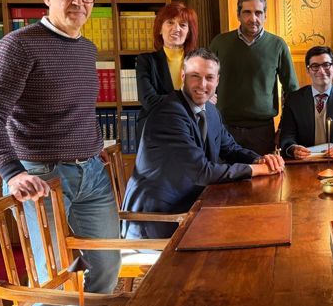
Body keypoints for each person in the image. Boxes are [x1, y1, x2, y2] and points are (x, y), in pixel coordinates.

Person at [0, 0, 120, 294]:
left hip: (92, 175)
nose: (78, 1)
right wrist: (12, 173)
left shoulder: (87, 48)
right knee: (53, 278)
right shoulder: (18, 46)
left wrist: (93, 146)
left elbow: (81, 108)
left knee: (108, 265)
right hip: (40, 177)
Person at [122, 48, 285, 239]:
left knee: (259, 227)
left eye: (209, 77)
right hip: (158, 220)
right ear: (183, 76)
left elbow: (230, 148)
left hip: (192, 207)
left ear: (217, 80)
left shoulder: (210, 110)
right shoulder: (168, 113)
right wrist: (257, 169)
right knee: (245, 234)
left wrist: (261, 160)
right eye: (195, 76)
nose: (202, 84)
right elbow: (201, 172)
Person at [209, 0, 299, 156]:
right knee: (224, 173)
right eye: (247, 12)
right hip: (224, 128)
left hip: (262, 132)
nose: (253, 18)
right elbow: (207, 83)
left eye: (258, 13)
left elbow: (292, 91)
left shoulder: (278, 45)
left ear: (265, 15)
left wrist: (283, 129)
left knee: (262, 173)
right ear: (238, 15)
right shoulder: (219, 43)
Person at [278, 46, 333, 159]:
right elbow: (286, 135)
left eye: (326, 65)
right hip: (304, 161)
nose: (321, 71)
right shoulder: (293, 100)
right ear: (308, 71)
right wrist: (293, 149)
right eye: (315, 66)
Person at [135, 1, 200, 134]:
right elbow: (149, 101)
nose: (176, 28)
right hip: (156, 127)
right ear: (160, 29)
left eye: (182, 25)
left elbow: (207, 97)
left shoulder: (199, 61)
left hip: (192, 126)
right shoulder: (146, 61)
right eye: (170, 22)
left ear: (188, 33)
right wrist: (190, 99)